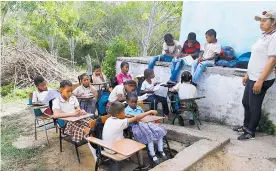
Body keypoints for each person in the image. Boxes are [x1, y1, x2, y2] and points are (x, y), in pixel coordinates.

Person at [233, 10, 276, 140]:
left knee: (254, 105)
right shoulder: (264, 36)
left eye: (264, 21)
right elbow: (256, 57)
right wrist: (247, 74)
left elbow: (272, 60)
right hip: (253, 76)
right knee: (246, 102)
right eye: (260, 21)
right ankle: (246, 125)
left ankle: (250, 131)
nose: (261, 24)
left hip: (261, 78)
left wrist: (260, 80)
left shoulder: (274, 37)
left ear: (273, 22)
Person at [125, 93, 168, 164]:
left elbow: (144, 117)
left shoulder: (139, 108)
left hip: (146, 124)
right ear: (127, 101)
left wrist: (149, 118)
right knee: (149, 135)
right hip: (136, 127)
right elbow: (132, 120)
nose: (134, 103)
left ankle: (160, 150)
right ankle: (152, 154)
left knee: (160, 131)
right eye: (131, 102)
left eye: (135, 102)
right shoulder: (126, 111)